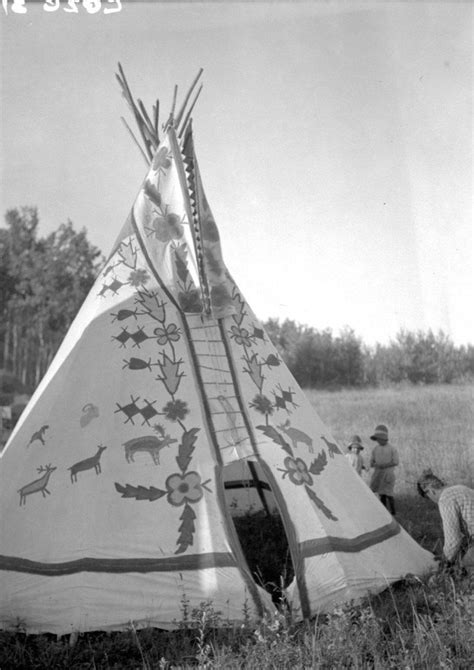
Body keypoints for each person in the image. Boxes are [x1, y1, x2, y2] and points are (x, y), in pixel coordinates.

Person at [417, 469, 474, 573]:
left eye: (427, 497)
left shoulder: (445, 499)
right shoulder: (461, 488)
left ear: (430, 491)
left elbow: (454, 540)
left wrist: (445, 562)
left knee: (467, 564)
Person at [369, 424, 398, 515]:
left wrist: (385, 465)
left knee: (389, 493)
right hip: (378, 474)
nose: (379, 441)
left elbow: (395, 461)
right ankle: (384, 512)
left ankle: (393, 511)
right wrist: (375, 465)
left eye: (380, 439)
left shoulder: (391, 449)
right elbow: (371, 462)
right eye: (377, 439)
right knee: (381, 493)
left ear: (385, 438)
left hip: (388, 474)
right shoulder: (375, 449)